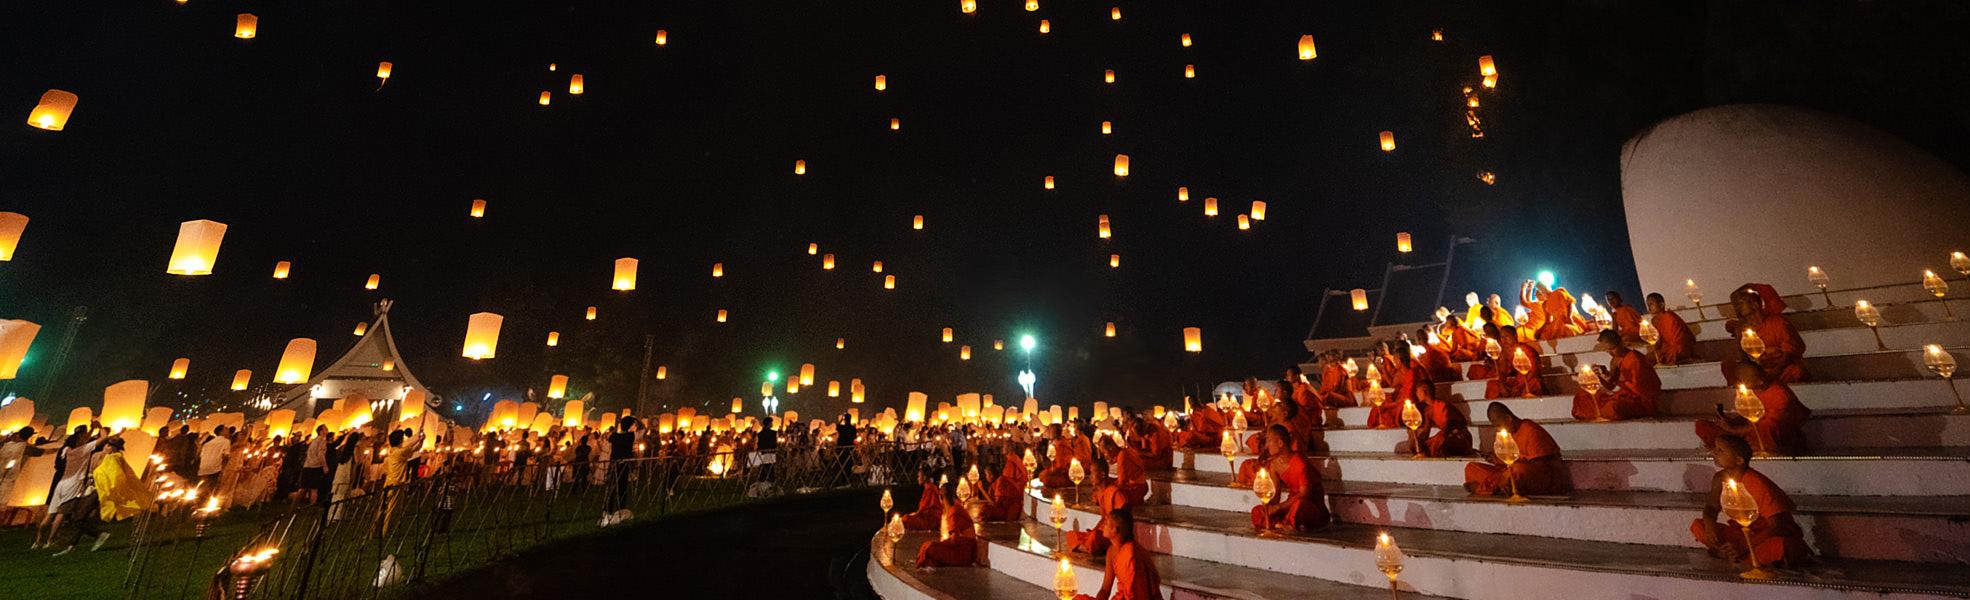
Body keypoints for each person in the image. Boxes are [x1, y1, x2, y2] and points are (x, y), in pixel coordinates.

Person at [1690, 434, 1812, 569]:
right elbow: (1711, 507)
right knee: (1699, 526)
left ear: (1739, 460)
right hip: (1744, 534)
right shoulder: (1720, 478)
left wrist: (1744, 546)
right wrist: (1710, 526)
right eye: (1715, 449)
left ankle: (1738, 554)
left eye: (1720, 450)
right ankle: (1738, 554)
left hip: (1765, 537)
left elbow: (1777, 526)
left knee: (1783, 546)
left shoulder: (1756, 482)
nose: (1714, 453)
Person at [1696, 362, 1812, 456]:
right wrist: (1731, 421)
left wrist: (1734, 431)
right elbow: (1749, 414)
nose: (1762, 382)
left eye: (1761, 378)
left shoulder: (1780, 395)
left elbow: (1768, 425)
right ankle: (1733, 447)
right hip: (1749, 434)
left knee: (1768, 427)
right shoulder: (1750, 390)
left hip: (1774, 438)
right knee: (1702, 425)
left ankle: (1743, 449)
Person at [1464, 403, 1570, 496]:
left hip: (1542, 476)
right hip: (1513, 472)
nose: (1497, 429)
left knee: (1517, 470)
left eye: (1498, 425)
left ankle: (1486, 488)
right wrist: (1496, 459)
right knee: (1471, 468)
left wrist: (1513, 466)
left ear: (1508, 418)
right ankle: (1499, 487)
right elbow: (1509, 460)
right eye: (1495, 426)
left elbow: (1541, 467)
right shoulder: (1508, 433)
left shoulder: (1530, 430)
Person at [1064, 437, 1144, 556]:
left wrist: (1113, 536)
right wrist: (1095, 530)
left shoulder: (1114, 492)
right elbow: (1104, 518)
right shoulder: (1101, 493)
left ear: (1102, 475)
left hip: (1113, 535)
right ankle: (1087, 546)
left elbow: (1123, 517)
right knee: (1071, 534)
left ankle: (1087, 546)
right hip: (1105, 531)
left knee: (1094, 538)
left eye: (1092, 474)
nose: (1090, 477)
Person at [1721, 283, 1807, 385]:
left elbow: (1791, 352)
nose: (1738, 308)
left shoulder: (1777, 322)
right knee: (1731, 366)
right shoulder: (1741, 328)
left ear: (1755, 305)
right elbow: (1742, 356)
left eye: (1741, 303)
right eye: (1736, 305)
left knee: (1794, 370)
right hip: (1757, 369)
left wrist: (1773, 371)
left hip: (1781, 367)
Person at [1250, 425, 1330, 532]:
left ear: (1280, 443)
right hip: (1289, 505)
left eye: (1269, 441)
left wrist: (1279, 507)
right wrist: (1268, 506)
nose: (1266, 446)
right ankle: (1284, 523)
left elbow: (1305, 494)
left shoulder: (1300, 463)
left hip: (1310, 505)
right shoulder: (1274, 465)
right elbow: (1275, 495)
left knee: (1299, 507)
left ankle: (1287, 522)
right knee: (1258, 511)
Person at [1070, 508, 1163, 600]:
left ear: (1114, 530)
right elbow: (1105, 589)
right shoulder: (1111, 551)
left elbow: (1139, 595)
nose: (1103, 526)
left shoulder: (1132, 555)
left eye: (1106, 523)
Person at [35, 426, 103, 549]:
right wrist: (100, 427)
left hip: (61, 482)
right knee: (61, 513)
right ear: (79, 440)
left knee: (50, 514)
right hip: (73, 484)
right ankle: (50, 540)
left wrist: (92, 429)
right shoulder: (81, 450)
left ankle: (38, 541)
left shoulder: (66, 450)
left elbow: (82, 440)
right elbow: (103, 438)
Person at [1572, 330, 1662, 421]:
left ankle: (1602, 412)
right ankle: (1600, 412)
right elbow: (1610, 386)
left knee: (1614, 406)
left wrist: (1618, 381)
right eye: (1607, 350)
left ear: (1621, 343)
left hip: (1640, 401)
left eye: (1612, 348)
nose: (1610, 353)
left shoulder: (1635, 359)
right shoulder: (1615, 360)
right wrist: (1599, 376)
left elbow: (1642, 390)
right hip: (1623, 395)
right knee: (1582, 396)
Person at [914, 484, 978, 568]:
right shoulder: (955, 508)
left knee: (930, 549)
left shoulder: (954, 511)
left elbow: (954, 541)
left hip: (963, 554)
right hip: (962, 549)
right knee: (928, 546)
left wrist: (937, 544)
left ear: (940, 497)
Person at [1483, 327, 1546, 399]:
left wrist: (1519, 386)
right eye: (1502, 337)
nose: (1504, 340)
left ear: (1515, 336)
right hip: (1515, 382)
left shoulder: (1526, 350)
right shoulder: (1504, 352)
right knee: (1493, 384)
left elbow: (1533, 371)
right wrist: (1502, 385)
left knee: (1535, 383)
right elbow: (1502, 371)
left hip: (1527, 380)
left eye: (1506, 336)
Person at [1416, 387, 1473, 457]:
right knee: (1421, 445)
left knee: (1439, 442)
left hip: (1460, 438)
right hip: (1445, 437)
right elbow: (1426, 432)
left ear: (1424, 392)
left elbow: (1447, 429)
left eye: (1417, 391)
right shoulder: (1428, 410)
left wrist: (1435, 440)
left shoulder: (1443, 405)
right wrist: (1418, 440)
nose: (1416, 394)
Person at [1645, 293, 1699, 365]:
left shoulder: (1669, 318)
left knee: (1652, 358)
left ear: (1661, 305)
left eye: (1651, 304)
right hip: (1666, 349)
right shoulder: (1655, 320)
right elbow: (1659, 340)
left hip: (1678, 349)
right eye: (1648, 305)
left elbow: (1677, 342)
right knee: (1647, 358)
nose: (1649, 308)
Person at [977, 448, 1027, 522]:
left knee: (985, 510)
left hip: (1009, 512)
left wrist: (982, 490)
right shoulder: (995, 484)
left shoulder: (1001, 482)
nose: (986, 477)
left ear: (991, 475)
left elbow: (995, 504)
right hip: (1007, 509)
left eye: (986, 475)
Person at [604, 417, 638, 514]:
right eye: (633, 424)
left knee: (618, 487)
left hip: (620, 464)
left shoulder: (624, 436)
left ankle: (615, 509)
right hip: (618, 464)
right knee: (617, 487)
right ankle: (613, 509)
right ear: (629, 426)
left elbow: (610, 437)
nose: (635, 426)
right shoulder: (627, 436)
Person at [197, 425, 232, 493]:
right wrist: (224, 468)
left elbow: (201, 455)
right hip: (215, 467)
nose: (228, 429)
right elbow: (226, 456)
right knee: (213, 488)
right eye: (225, 428)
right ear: (220, 432)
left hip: (203, 467)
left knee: (202, 487)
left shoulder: (208, 443)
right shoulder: (226, 441)